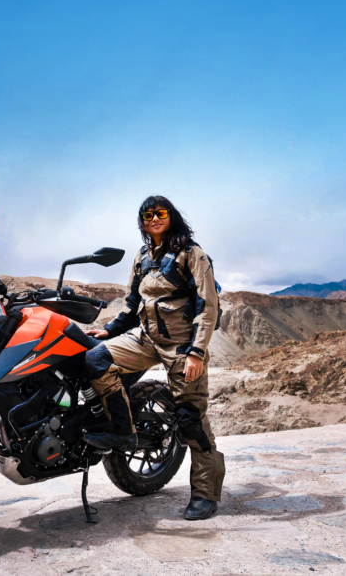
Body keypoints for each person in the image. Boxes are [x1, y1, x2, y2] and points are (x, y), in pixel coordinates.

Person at [82, 195, 226, 520]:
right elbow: (131, 302)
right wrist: (110, 330)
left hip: (182, 345)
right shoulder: (142, 257)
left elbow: (207, 307)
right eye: (147, 216)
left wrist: (197, 352)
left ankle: (205, 494)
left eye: (160, 213)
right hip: (145, 338)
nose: (154, 219)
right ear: (142, 222)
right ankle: (122, 431)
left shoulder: (192, 253)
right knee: (95, 360)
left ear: (171, 216)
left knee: (190, 419)